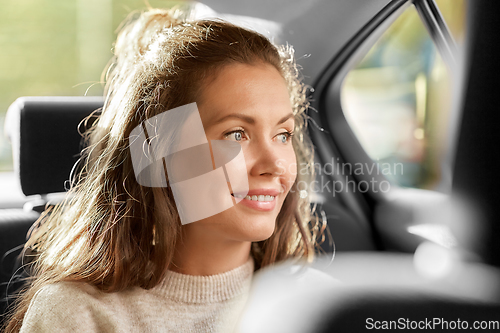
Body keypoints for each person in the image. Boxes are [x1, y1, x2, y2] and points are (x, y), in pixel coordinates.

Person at [4, 4, 324, 333]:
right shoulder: (77, 316)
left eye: (282, 135)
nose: (274, 165)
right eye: (236, 134)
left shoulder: (322, 303)